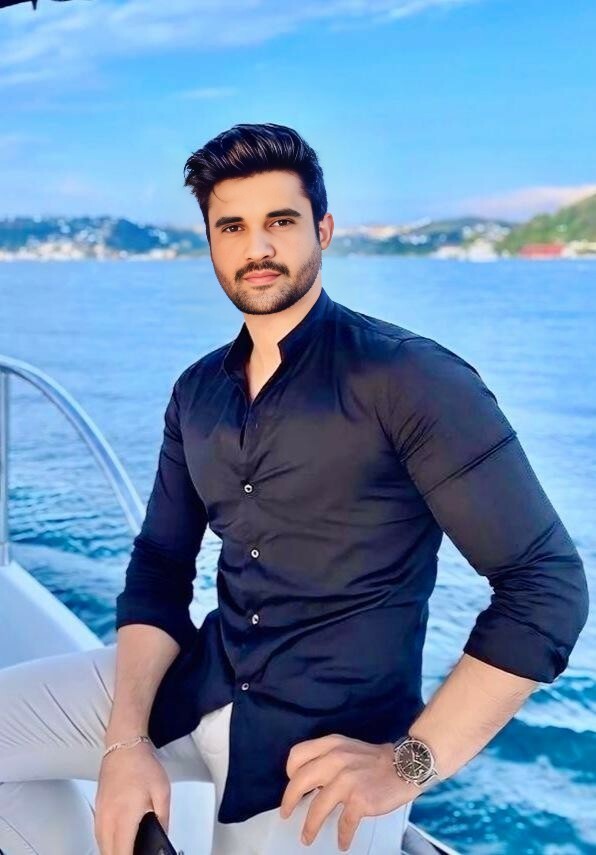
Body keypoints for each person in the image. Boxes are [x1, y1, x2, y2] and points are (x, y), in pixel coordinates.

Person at [0, 122, 589, 855]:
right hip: (200, 681)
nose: (257, 248)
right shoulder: (196, 393)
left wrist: (408, 764)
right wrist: (125, 742)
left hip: (325, 755)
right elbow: (158, 566)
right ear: (210, 244)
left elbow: (545, 585)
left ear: (324, 230)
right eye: (232, 227)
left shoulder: (410, 379)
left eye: (280, 221)